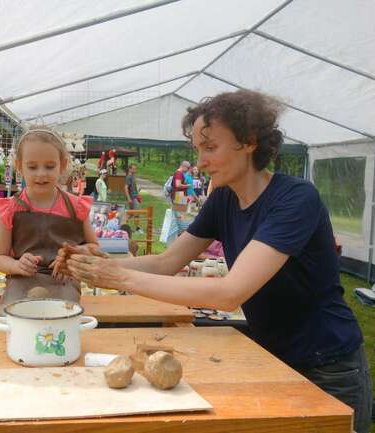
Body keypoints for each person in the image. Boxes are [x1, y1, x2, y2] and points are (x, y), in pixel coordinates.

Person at [58, 90, 372, 433]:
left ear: (249, 142)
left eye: (210, 148)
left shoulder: (296, 199)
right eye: (197, 149)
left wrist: (119, 278)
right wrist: (98, 262)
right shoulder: (224, 198)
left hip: (327, 363)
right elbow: (167, 261)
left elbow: (229, 293)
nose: (201, 161)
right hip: (270, 353)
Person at [0, 127, 98, 329]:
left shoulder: (76, 206)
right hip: (21, 281)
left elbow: (94, 249)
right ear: (19, 166)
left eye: (49, 166)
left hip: (63, 282)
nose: (41, 174)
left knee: (60, 324)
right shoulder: (9, 208)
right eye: (32, 167)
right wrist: (17, 265)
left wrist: (71, 260)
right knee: (14, 322)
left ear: (62, 166)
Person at [124, 163, 142, 234]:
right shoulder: (129, 177)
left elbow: (132, 188)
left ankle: (121, 224)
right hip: (132, 198)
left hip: (134, 197)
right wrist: (129, 198)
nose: (135, 170)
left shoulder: (132, 176)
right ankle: (137, 229)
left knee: (131, 214)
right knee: (136, 213)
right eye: (134, 169)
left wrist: (138, 191)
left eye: (135, 169)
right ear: (130, 169)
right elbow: (125, 188)